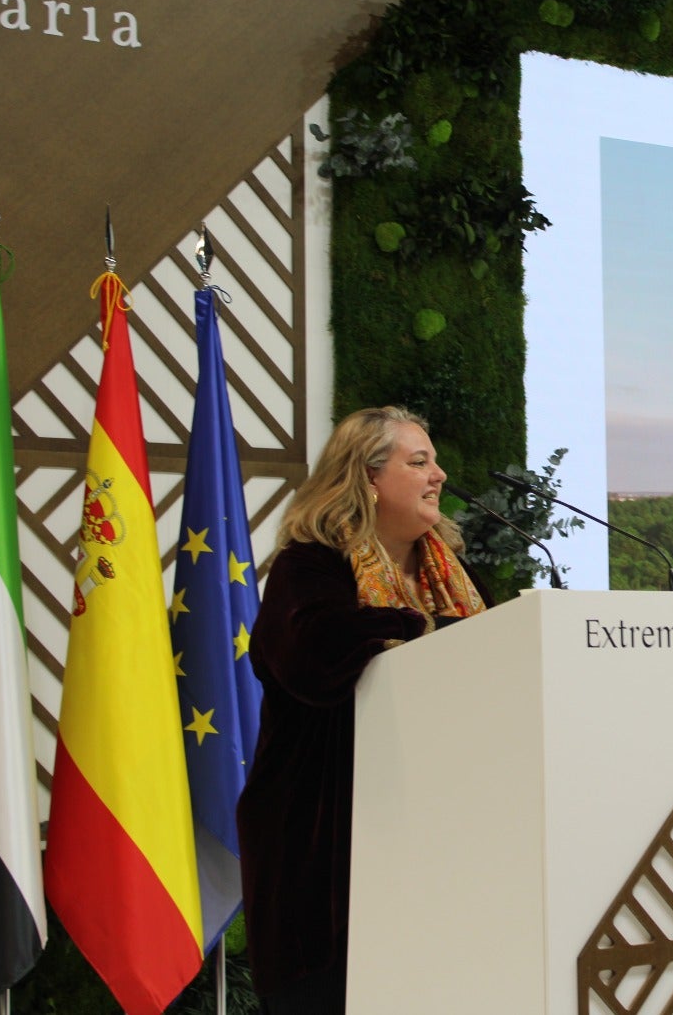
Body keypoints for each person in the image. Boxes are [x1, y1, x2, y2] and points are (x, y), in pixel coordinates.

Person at [235, 406, 490, 1014]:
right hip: (323, 859)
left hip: (431, 846)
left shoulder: (449, 575)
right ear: (368, 477)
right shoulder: (310, 565)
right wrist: (412, 626)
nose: (441, 476)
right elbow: (311, 656)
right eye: (420, 461)